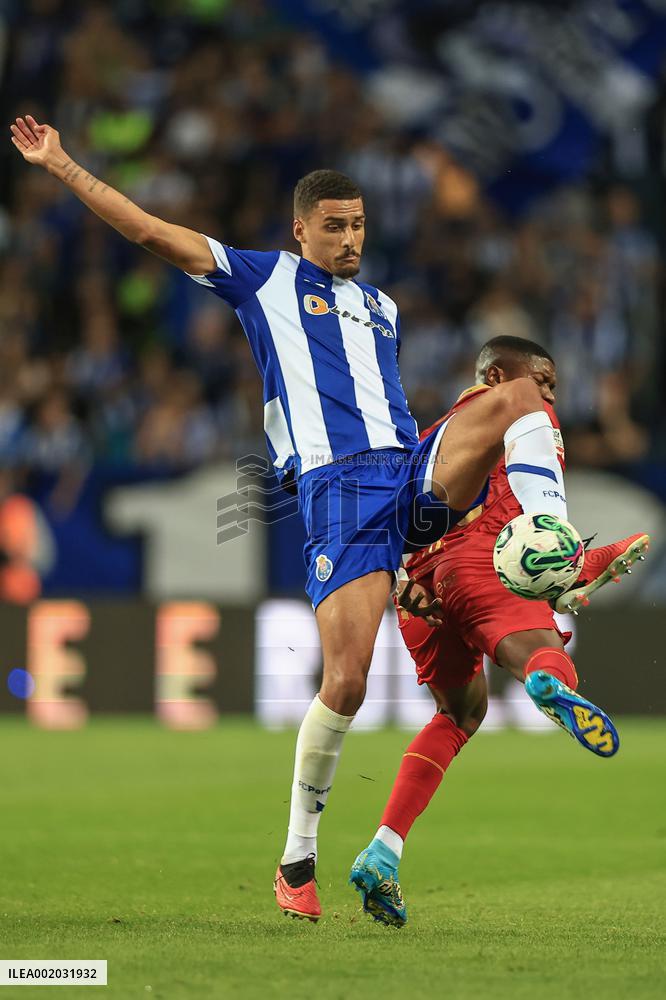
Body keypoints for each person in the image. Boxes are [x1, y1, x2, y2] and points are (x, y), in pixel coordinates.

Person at [12, 116, 590, 923]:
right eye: (334, 227)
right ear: (300, 231)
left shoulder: (382, 305)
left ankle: (548, 536)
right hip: (338, 489)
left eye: (357, 226)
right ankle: (298, 857)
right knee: (347, 683)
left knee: (521, 394)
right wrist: (62, 165)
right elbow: (148, 232)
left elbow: (384, 402)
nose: (351, 239)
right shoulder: (263, 279)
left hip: (408, 471)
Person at [349, 336, 649, 927]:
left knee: (459, 713)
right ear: (497, 375)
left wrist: (403, 578)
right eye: (541, 380)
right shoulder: (522, 416)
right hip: (486, 560)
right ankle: (546, 676)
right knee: (544, 655)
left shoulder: (429, 438)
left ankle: (382, 850)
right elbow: (528, 530)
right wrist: (575, 562)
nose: (548, 395)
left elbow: (392, 516)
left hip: (420, 585)